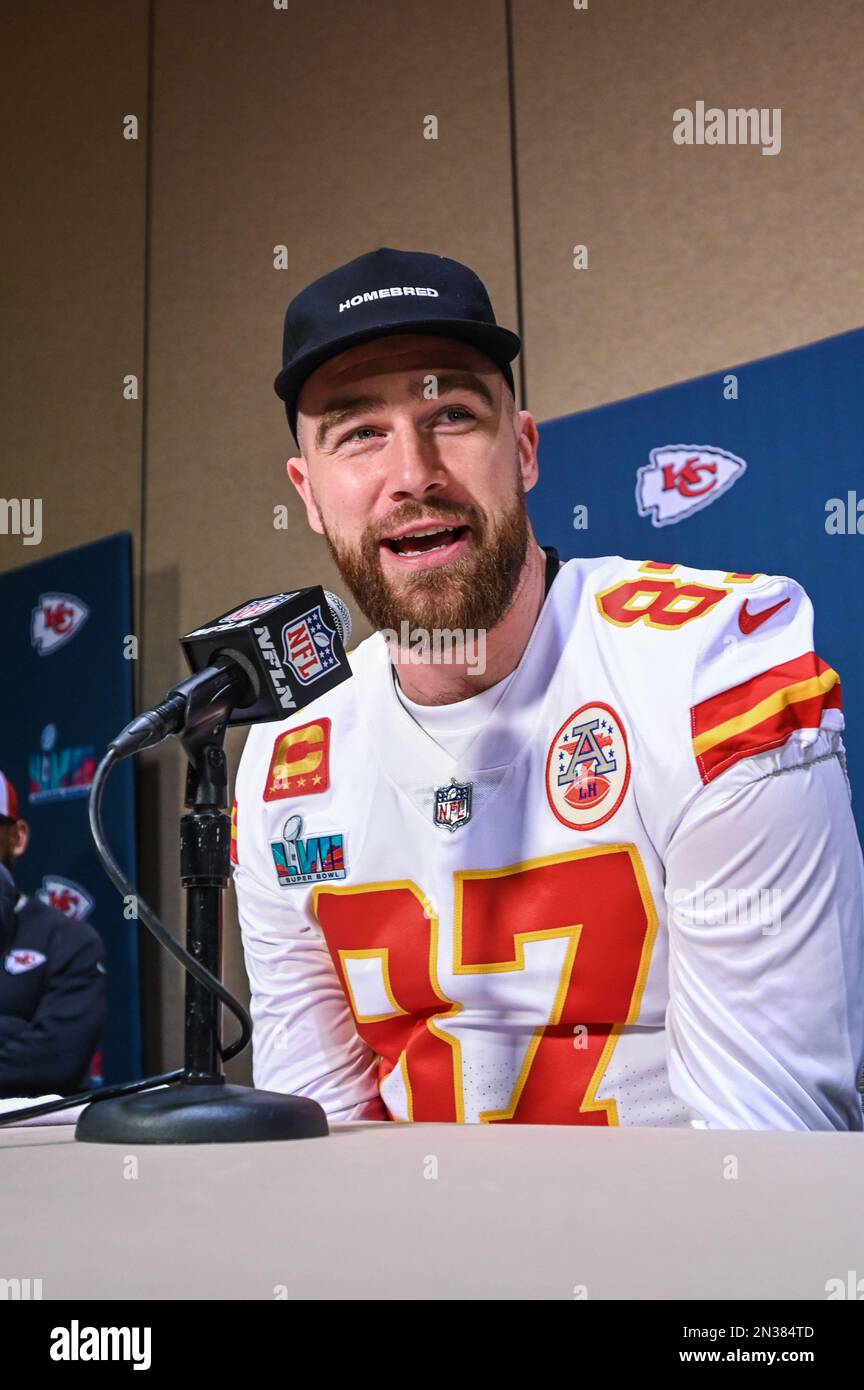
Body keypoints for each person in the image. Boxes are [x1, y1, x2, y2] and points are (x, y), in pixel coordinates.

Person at [232, 246, 864, 1129]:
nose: (412, 472)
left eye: (451, 413)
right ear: (307, 491)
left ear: (522, 451)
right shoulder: (283, 759)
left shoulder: (710, 671)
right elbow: (317, 1129)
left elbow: (767, 1145)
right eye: (358, 431)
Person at [0, 770, 106, 1097]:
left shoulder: (71, 941)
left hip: (32, 1141)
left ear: (17, 837)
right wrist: (14, 1029)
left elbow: (56, 1061)